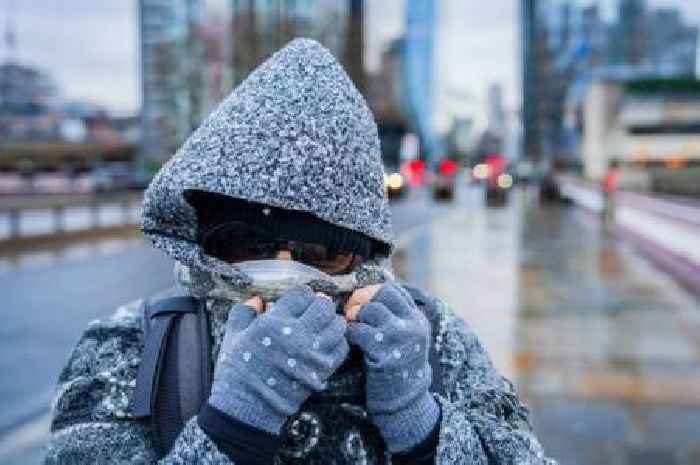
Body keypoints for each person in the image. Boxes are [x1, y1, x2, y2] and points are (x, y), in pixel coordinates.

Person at [45, 39, 555, 465]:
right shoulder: (133, 348)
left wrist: (421, 426)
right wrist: (231, 426)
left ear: (362, 249)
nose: (284, 273)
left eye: (321, 250)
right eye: (248, 243)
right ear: (204, 233)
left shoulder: (432, 339)